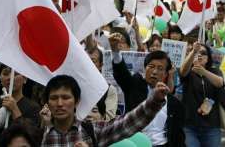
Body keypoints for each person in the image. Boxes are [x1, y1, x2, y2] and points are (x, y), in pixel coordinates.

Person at [40, 75, 168, 146]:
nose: (60, 103)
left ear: (77, 101)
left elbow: (128, 123)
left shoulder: (93, 131)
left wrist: (154, 101)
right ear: (47, 102)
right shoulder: (38, 135)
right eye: (54, 98)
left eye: (66, 97)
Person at [111, 33, 185, 147]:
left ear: (166, 74)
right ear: (145, 68)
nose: (154, 71)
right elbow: (121, 73)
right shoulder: (134, 86)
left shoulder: (174, 104)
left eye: (160, 68)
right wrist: (115, 51)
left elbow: (178, 136)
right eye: (151, 66)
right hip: (135, 143)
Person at [179, 42, 225, 147]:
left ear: (208, 58)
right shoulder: (189, 72)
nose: (200, 55)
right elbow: (183, 71)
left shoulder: (215, 71)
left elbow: (220, 82)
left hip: (211, 126)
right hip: (190, 126)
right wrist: (193, 51)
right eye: (197, 52)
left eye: (203, 53)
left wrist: (204, 72)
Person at [86, 47, 118, 122]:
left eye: (93, 61)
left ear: (100, 65)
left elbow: (109, 118)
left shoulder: (109, 89)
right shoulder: (74, 86)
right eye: (86, 61)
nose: (87, 64)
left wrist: (98, 118)